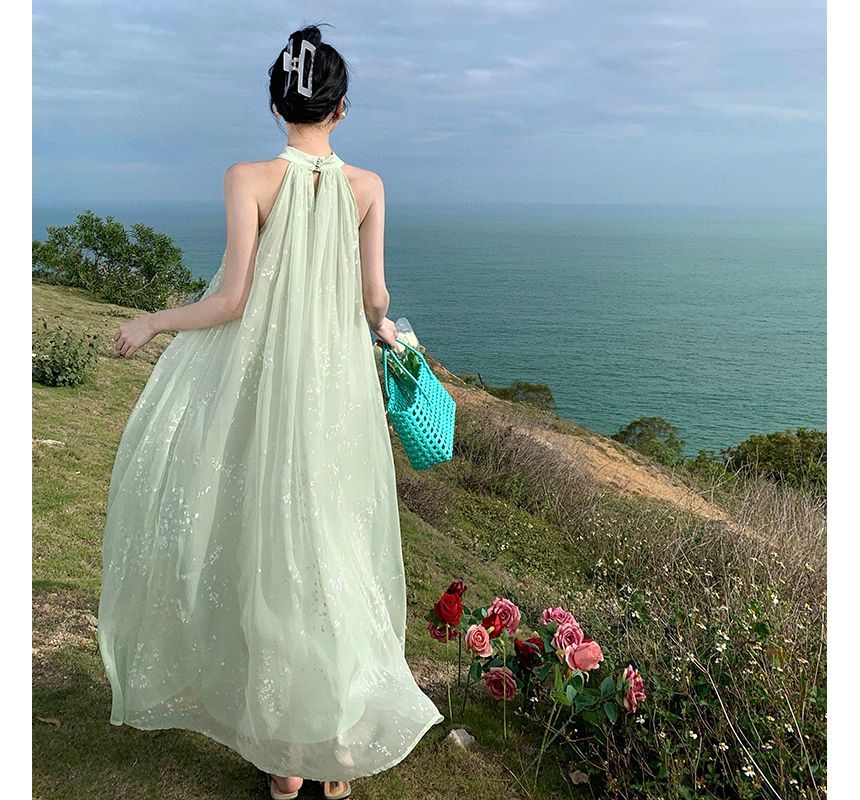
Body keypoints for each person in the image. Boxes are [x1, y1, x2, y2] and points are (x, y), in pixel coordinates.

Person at [97, 23, 444, 800]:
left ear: (275, 102)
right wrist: (385, 329)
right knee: (333, 550)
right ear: (342, 109)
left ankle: (285, 762)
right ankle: (334, 749)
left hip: (267, 388)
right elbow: (375, 297)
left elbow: (231, 300)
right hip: (336, 392)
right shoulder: (367, 187)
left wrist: (153, 321)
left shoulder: (247, 178)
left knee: (268, 546)